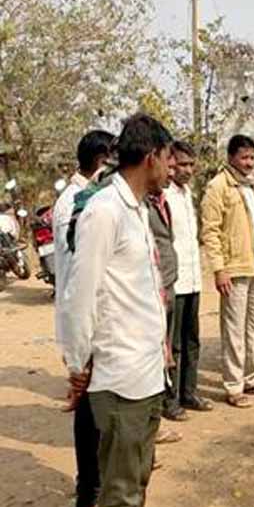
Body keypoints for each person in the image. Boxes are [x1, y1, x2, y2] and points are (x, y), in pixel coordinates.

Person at [58, 113, 174, 507]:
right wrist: (78, 365)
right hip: (121, 378)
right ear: (151, 157)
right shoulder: (104, 210)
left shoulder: (137, 209)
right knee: (120, 492)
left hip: (147, 373)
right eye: (168, 159)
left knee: (135, 482)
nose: (170, 168)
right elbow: (79, 296)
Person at [52, 129, 114, 507]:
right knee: (88, 405)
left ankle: (97, 479)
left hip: (96, 315)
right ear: (102, 161)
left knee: (99, 402)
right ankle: (88, 487)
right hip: (83, 317)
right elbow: (77, 269)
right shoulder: (75, 203)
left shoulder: (95, 197)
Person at [202, 135, 254, 408]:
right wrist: (219, 269)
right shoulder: (218, 186)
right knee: (234, 329)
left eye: (252, 158)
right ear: (231, 157)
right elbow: (210, 231)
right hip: (234, 269)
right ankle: (234, 385)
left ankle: (252, 375)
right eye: (244, 158)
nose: (248, 163)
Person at [164, 141, 213, 414]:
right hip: (176, 282)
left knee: (192, 340)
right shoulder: (164, 196)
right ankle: (170, 400)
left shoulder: (187, 194)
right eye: (183, 164)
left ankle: (189, 393)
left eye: (191, 165)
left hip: (193, 280)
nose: (188, 170)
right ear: (171, 164)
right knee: (174, 345)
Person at [146, 147, 185, 425]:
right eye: (167, 166)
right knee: (152, 355)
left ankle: (163, 407)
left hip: (168, 284)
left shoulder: (162, 200)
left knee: (166, 351)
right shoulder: (139, 204)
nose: (171, 173)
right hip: (151, 290)